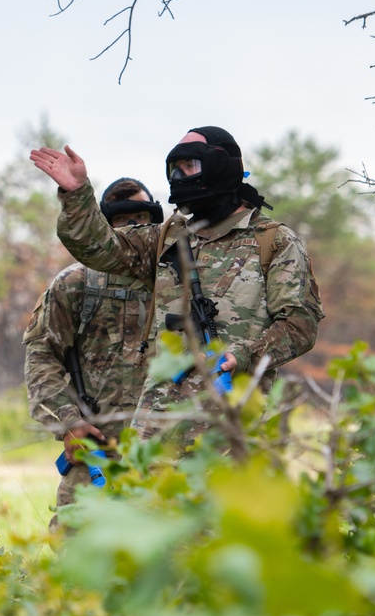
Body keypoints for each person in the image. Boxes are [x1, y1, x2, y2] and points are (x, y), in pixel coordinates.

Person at [30, 126, 323, 442]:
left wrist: (245, 354)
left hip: (234, 429)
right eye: (176, 169)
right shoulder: (166, 237)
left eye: (190, 167)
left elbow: (300, 324)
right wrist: (77, 194)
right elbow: (99, 248)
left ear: (220, 166)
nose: (181, 177)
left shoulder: (273, 241)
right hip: (158, 433)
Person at [23, 177, 160, 529]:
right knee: (77, 557)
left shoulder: (175, 282)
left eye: (144, 219)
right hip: (95, 448)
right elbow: (41, 354)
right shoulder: (75, 283)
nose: (135, 229)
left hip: (162, 448)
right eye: (124, 221)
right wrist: (69, 421)